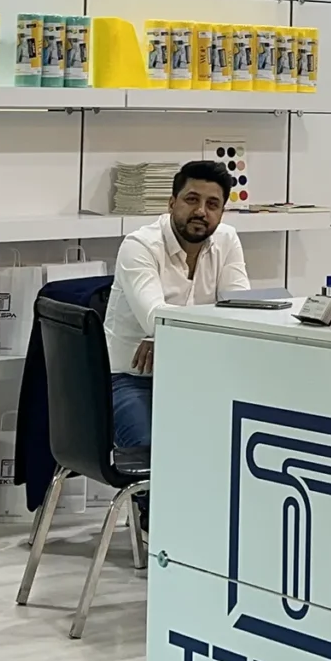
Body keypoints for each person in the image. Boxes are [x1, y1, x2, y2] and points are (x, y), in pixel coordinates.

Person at [104, 159, 246, 452]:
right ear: (171, 203)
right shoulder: (139, 246)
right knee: (157, 450)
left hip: (198, 376)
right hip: (132, 379)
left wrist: (166, 333)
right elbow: (155, 318)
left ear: (222, 212)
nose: (201, 211)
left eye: (212, 204)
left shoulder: (227, 240)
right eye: (192, 200)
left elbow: (241, 314)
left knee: (235, 444)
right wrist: (161, 328)